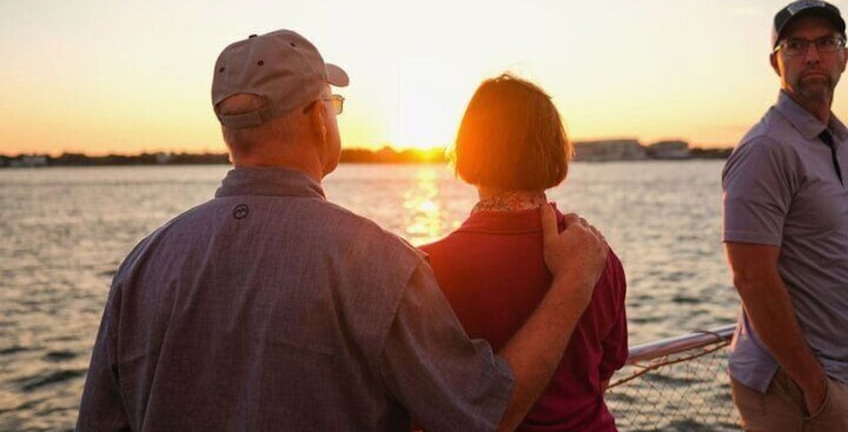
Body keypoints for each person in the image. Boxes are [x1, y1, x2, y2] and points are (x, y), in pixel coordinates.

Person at [76, 29, 611, 431]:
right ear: (317, 118)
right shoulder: (376, 265)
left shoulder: (143, 264)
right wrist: (574, 282)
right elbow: (483, 416)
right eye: (333, 105)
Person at [422, 74, 628, 431]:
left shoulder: (429, 268)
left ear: (469, 147)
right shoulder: (597, 256)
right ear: (553, 150)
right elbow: (602, 373)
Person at [723, 0, 848, 430]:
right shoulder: (766, 149)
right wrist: (815, 387)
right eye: (795, 45)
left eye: (826, 42)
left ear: (844, 55)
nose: (813, 55)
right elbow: (752, 278)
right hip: (793, 387)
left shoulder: (838, 143)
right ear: (776, 63)